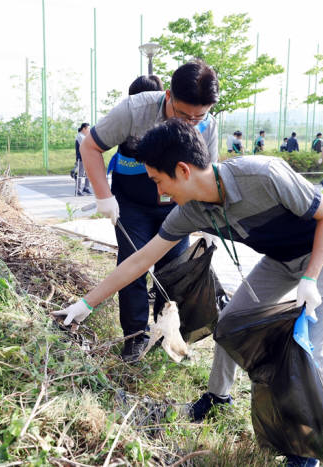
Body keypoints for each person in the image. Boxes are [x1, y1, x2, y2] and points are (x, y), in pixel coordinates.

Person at [53, 119, 323, 467]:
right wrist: (85, 303)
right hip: (282, 259)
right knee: (229, 323)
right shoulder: (191, 210)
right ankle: (217, 398)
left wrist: (312, 278)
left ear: (182, 170)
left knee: (310, 349)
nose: (160, 193)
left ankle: (310, 451)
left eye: (158, 181)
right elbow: (140, 260)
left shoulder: (263, 175)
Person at [78, 62, 219, 362]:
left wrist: (205, 222)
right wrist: (104, 197)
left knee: (173, 271)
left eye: (199, 117)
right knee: (133, 266)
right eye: (183, 115)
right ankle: (135, 337)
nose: (191, 123)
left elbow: (208, 176)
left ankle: (166, 333)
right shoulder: (134, 110)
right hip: (132, 203)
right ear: (167, 95)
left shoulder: (209, 125)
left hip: (176, 207)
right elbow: (90, 147)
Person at [75, 123, 93, 196]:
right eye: (88, 128)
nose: (89, 130)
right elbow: (86, 145)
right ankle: (78, 190)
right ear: (84, 129)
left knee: (88, 173)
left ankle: (86, 188)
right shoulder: (80, 136)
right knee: (80, 174)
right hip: (81, 158)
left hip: (87, 157)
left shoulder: (84, 136)